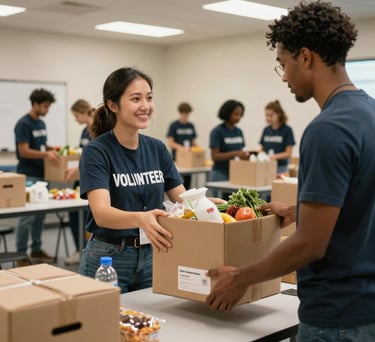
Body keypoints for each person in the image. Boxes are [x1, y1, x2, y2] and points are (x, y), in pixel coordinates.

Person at [206, 1, 375, 340]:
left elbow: (310, 245)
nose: (283, 76)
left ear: (306, 57)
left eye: (283, 64)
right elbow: (360, 200)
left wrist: (239, 278)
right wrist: (299, 210)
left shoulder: (327, 130)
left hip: (336, 315)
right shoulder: (368, 112)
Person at [78, 67, 186, 293]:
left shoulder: (157, 148)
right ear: (113, 105)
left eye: (149, 98)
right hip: (108, 258)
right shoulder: (97, 151)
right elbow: (101, 213)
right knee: (107, 326)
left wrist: (208, 205)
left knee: (147, 325)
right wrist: (140, 219)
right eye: (136, 99)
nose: (145, 106)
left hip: (153, 254)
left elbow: (182, 200)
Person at [14, 88, 60, 266]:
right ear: (35, 104)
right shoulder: (23, 124)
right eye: (45, 106)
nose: (47, 110)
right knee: (26, 217)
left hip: (43, 175)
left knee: (40, 216)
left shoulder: (41, 124)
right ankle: (20, 256)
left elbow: (40, 145)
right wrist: (45, 155)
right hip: (28, 175)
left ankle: (36, 250)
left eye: (48, 106)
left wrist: (50, 149)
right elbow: (24, 151)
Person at [63, 99, 95, 265]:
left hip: (92, 180)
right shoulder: (84, 131)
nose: (76, 119)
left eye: (76, 116)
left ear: (83, 112)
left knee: (89, 217)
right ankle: (79, 248)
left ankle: (87, 249)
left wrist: (77, 169)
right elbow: (82, 155)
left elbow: (92, 158)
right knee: (74, 214)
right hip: (81, 179)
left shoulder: (97, 129)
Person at [208, 99, 248, 199]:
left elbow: (240, 152)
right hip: (220, 173)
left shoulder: (239, 131)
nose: (238, 117)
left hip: (235, 174)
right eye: (235, 114)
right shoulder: (217, 131)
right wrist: (236, 153)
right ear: (227, 113)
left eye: (240, 114)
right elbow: (215, 156)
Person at [166, 102, 197, 189]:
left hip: (189, 159)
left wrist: (197, 150)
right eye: (184, 113)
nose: (186, 115)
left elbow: (193, 142)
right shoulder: (174, 125)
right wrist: (181, 148)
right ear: (180, 112)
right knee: (177, 183)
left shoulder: (191, 125)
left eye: (187, 113)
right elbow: (171, 142)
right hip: (177, 158)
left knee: (188, 183)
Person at [259, 100, 295, 174]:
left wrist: (274, 157)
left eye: (271, 115)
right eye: (266, 115)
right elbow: (261, 149)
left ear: (279, 114)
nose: (268, 118)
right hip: (266, 166)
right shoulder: (266, 130)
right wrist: (261, 155)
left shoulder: (287, 130)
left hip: (281, 167)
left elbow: (288, 153)